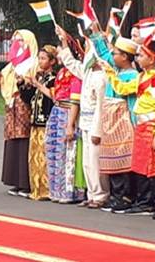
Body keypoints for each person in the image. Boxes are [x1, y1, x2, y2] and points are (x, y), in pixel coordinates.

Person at [104, 37, 155, 218]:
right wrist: (110, 74)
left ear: (152, 58)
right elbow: (124, 89)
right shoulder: (142, 76)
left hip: (152, 124)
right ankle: (144, 201)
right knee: (141, 165)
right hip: (141, 125)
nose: (138, 58)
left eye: (141, 55)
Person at [56, 27, 108, 208]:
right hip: (84, 122)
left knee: (95, 161)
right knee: (86, 161)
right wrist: (64, 41)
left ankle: (101, 195)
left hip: (95, 122)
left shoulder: (102, 77)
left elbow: (101, 108)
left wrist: (97, 130)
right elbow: (71, 63)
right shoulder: (87, 73)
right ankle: (92, 194)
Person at [0, 30, 38, 198]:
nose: (17, 44)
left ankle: (26, 182)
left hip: (25, 108)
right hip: (11, 109)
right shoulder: (12, 66)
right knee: (13, 144)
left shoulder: (33, 63)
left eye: (21, 41)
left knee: (25, 142)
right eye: (15, 41)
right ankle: (15, 180)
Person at [93, 34, 138, 213]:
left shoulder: (132, 75)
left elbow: (129, 98)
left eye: (116, 53)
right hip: (110, 121)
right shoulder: (116, 71)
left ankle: (125, 196)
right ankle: (115, 195)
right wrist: (96, 34)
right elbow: (103, 55)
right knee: (111, 160)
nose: (112, 57)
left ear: (125, 56)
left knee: (123, 160)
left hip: (123, 121)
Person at [47, 50, 84, 204]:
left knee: (67, 153)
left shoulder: (76, 74)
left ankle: (69, 191)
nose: (59, 55)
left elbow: (75, 101)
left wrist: (70, 124)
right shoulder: (61, 72)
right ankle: (55, 190)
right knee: (54, 152)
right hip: (57, 111)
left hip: (68, 113)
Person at [21, 45, 57, 201]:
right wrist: (24, 85)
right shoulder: (40, 77)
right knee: (34, 157)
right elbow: (29, 99)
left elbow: (53, 97)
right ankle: (36, 188)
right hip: (35, 122)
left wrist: (38, 85)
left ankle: (46, 189)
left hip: (47, 121)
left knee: (44, 157)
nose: (40, 61)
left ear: (52, 61)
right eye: (39, 58)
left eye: (43, 58)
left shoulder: (53, 79)